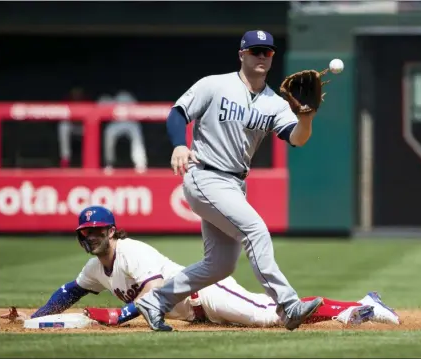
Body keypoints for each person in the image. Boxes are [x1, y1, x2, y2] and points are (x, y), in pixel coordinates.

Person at [135, 29, 329, 331]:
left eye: (267, 51)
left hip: (235, 184)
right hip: (205, 175)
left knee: (220, 265)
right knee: (256, 231)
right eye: (255, 51)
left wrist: (306, 118)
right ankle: (288, 304)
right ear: (242, 54)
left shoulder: (274, 103)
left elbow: (297, 139)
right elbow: (178, 113)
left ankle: (155, 301)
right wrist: (178, 144)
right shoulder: (215, 85)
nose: (262, 56)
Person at [0, 206, 400, 329]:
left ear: (112, 230)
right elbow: (69, 291)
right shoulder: (94, 269)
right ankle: (353, 310)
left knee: (267, 316)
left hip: (204, 291)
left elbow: (154, 295)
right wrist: (36, 319)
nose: (92, 237)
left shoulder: (131, 251)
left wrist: (119, 316)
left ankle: (359, 303)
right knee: (269, 316)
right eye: (86, 232)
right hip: (197, 314)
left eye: (98, 230)